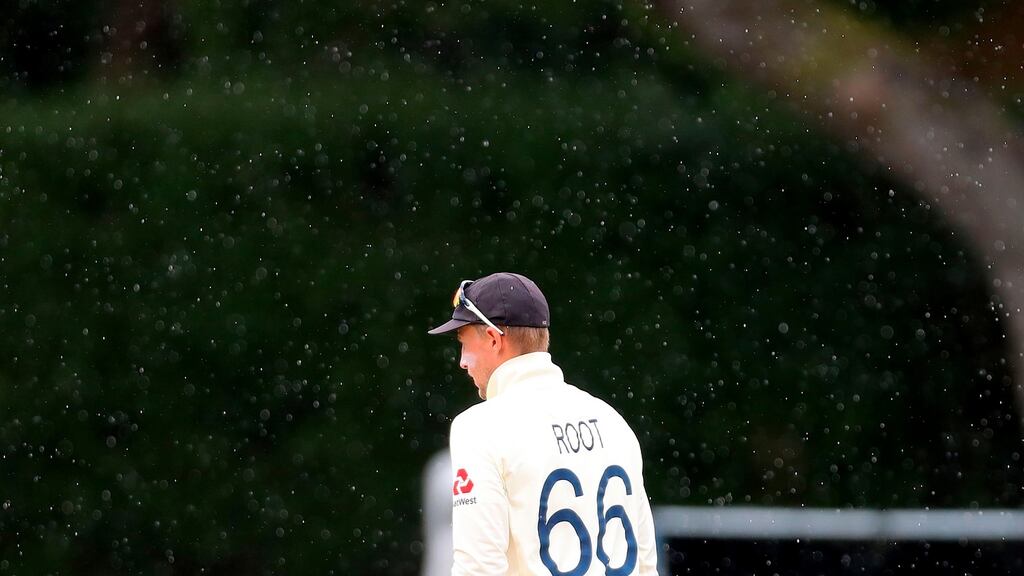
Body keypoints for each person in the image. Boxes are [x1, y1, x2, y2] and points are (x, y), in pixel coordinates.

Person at [428, 272, 659, 575]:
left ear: (493, 339)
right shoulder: (612, 420)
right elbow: (646, 565)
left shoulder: (479, 428)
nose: (462, 361)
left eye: (464, 343)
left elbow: (478, 568)